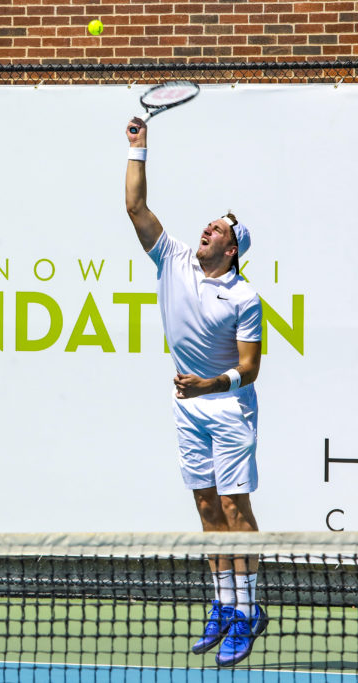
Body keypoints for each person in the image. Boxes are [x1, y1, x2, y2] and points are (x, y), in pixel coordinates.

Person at [124, 116, 267, 667]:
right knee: (206, 504)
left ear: (231, 251)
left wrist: (212, 382)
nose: (208, 229)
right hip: (190, 409)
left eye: (219, 231)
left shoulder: (244, 297)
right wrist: (138, 148)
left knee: (234, 505)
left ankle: (249, 608)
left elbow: (250, 369)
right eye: (208, 225)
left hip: (229, 407)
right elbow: (136, 209)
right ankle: (225, 605)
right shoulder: (174, 260)